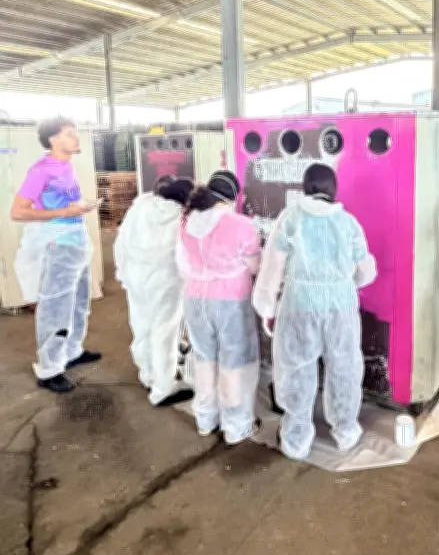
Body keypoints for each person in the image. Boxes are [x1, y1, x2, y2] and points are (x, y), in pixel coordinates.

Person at [253, 163, 377, 461]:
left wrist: (267, 307)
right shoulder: (348, 223)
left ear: (305, 187)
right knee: (344, 365)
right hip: (340, 304)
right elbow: (366, 271)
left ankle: (296, 439)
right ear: (333, 188)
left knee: (296, 367)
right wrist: (345, 284)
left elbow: (272, 268)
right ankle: (346, 431)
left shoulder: (291, 219)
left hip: (300, 303)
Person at [11, 117, 102, 394]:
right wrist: (64, 212)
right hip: (57, 244)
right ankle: (49, 368)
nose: (76, 139)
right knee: (55, 307)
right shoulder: (41, 170)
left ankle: (72, 350)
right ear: (53, 140)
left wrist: (79, 207)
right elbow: (18, 212)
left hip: (76, 242)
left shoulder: (66, 167)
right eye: (69, 134)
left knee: (78, 301)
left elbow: (63, 202)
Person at [176, 170, 262, 444]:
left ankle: (205, 418)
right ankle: (236, 425)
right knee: (234, 362)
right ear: (233, 196)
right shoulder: (241, 224)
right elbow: (254, 266)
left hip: (194, 297)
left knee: (204, 358)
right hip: (230, 300)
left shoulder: (186, 220)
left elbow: (183, 261)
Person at [114, 175, 194, 406]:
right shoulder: (182, 218)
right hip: (165, 281)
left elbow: (120, 242)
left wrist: (122, 271)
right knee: (164, 333)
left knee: (141, 325)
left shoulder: (139, 207)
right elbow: (186, 255)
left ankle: (147, 374)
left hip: (135, 276)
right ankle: (163, 388)